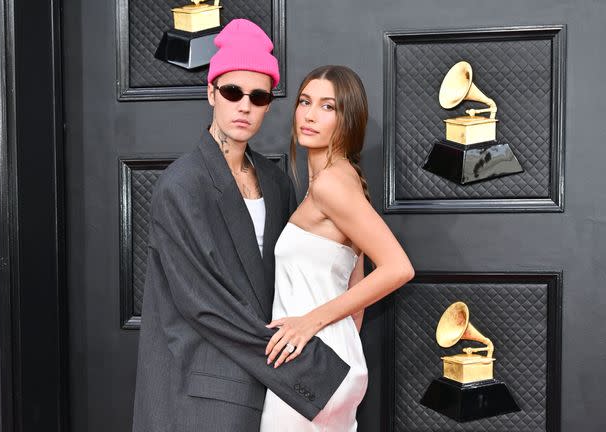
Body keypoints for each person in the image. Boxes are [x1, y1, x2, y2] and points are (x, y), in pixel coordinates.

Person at [132, 20, 349, 432]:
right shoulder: (181, 186)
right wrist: (308, 369)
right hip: (205, 389)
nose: (244, 105)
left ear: (269, 104)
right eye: (232, 92)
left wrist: (336, 326)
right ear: (211, 92)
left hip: (269, 384)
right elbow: (205, 304)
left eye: (258, 95)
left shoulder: (276, 181)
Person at [259, 65, 415, 431]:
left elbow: (398, 267)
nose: (310, 115)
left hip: (309, 362)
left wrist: (308, 323)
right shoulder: (344, 179)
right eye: (304, 102)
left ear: (349, 119)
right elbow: (355, 291)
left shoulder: (331, 184)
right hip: (335, 360)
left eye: (328, 107)